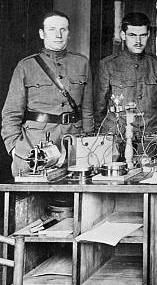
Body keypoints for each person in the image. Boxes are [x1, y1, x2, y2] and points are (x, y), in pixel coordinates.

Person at [2, 10, 94, 177]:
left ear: (69, 33)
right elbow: (11, 113)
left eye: (63, 29)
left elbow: (87, 111)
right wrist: (15, 148)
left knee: (73, 199)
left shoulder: (82, 63)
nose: (58, 35)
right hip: (34, 146)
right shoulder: (26, 66)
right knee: (32, 200)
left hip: (73, 146)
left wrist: (87, 145)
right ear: (42, 34)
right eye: (52, 29)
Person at [95, 12, 157, 136]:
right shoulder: (108, 65)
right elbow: (99, 108)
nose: (138, 41)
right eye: (132, 35)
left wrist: (155, 131)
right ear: (123, 35)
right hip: (117, 136)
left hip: (149, 136)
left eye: (143, 35)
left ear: (149, 35)